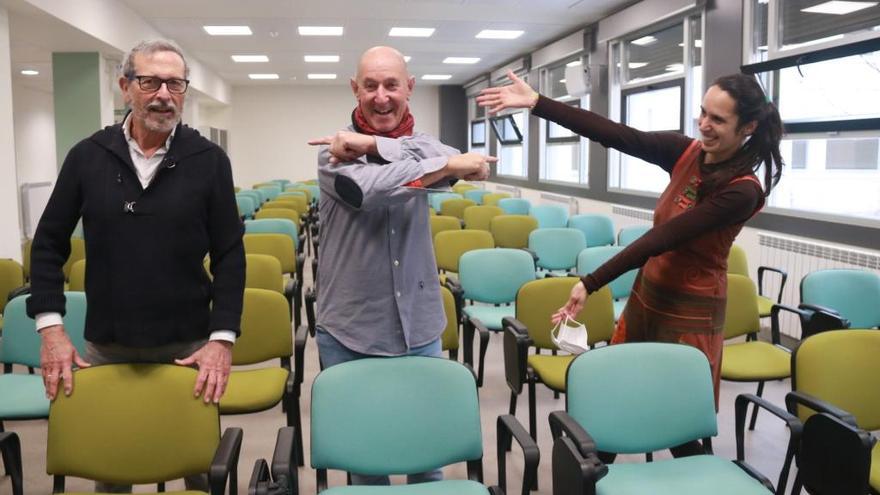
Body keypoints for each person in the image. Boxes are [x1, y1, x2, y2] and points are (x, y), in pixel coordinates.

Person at [478, 71, 783, 456]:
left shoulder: (742, 189)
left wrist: (591, 282)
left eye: (718, 120)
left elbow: (665, 237)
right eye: (703, 113)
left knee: (676, 418)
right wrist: (538, 103)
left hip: (692, 309)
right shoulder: (687, 152)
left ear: (748, 127)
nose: (704, 125)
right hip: (649, 293)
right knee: (620, 393)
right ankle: (594, 474)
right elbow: (615, 134)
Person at [27, 40, 245, 491]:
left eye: (175, 83)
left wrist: (222, 340)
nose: (163, 94)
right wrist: (51, 329)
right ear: (126, 87)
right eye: (150, 81)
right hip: (109, 345)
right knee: (115, 465)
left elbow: (230, 255)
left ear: (184, 91)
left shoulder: (209, 161)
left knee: (200, 470)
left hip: (189, 346)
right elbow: (48, 244)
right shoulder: (88, 156)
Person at [307, 46, 492, 485]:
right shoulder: (330, 156)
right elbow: (372, 190)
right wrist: (446, 167)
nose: (381, 96)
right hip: (351, 327)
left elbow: (456, 161)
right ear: (355, 89)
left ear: (409, 87)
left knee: (426, 456)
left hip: (419, 325)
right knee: (365, 463)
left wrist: (374, 144)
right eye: (370, 85)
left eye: (392, 84)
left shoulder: (425, 144)